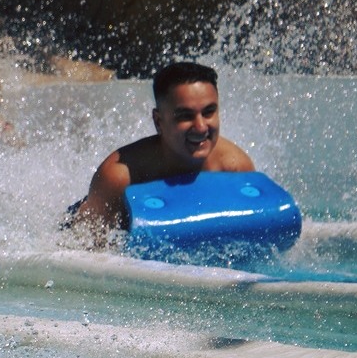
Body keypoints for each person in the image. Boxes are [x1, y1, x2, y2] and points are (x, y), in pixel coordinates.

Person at [67, 61, 255, 244]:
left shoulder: (235, 169)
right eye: (185, 116)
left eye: (209, 112)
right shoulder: (120, 178)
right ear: (158, 121)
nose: (200, 127)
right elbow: (87, 251)